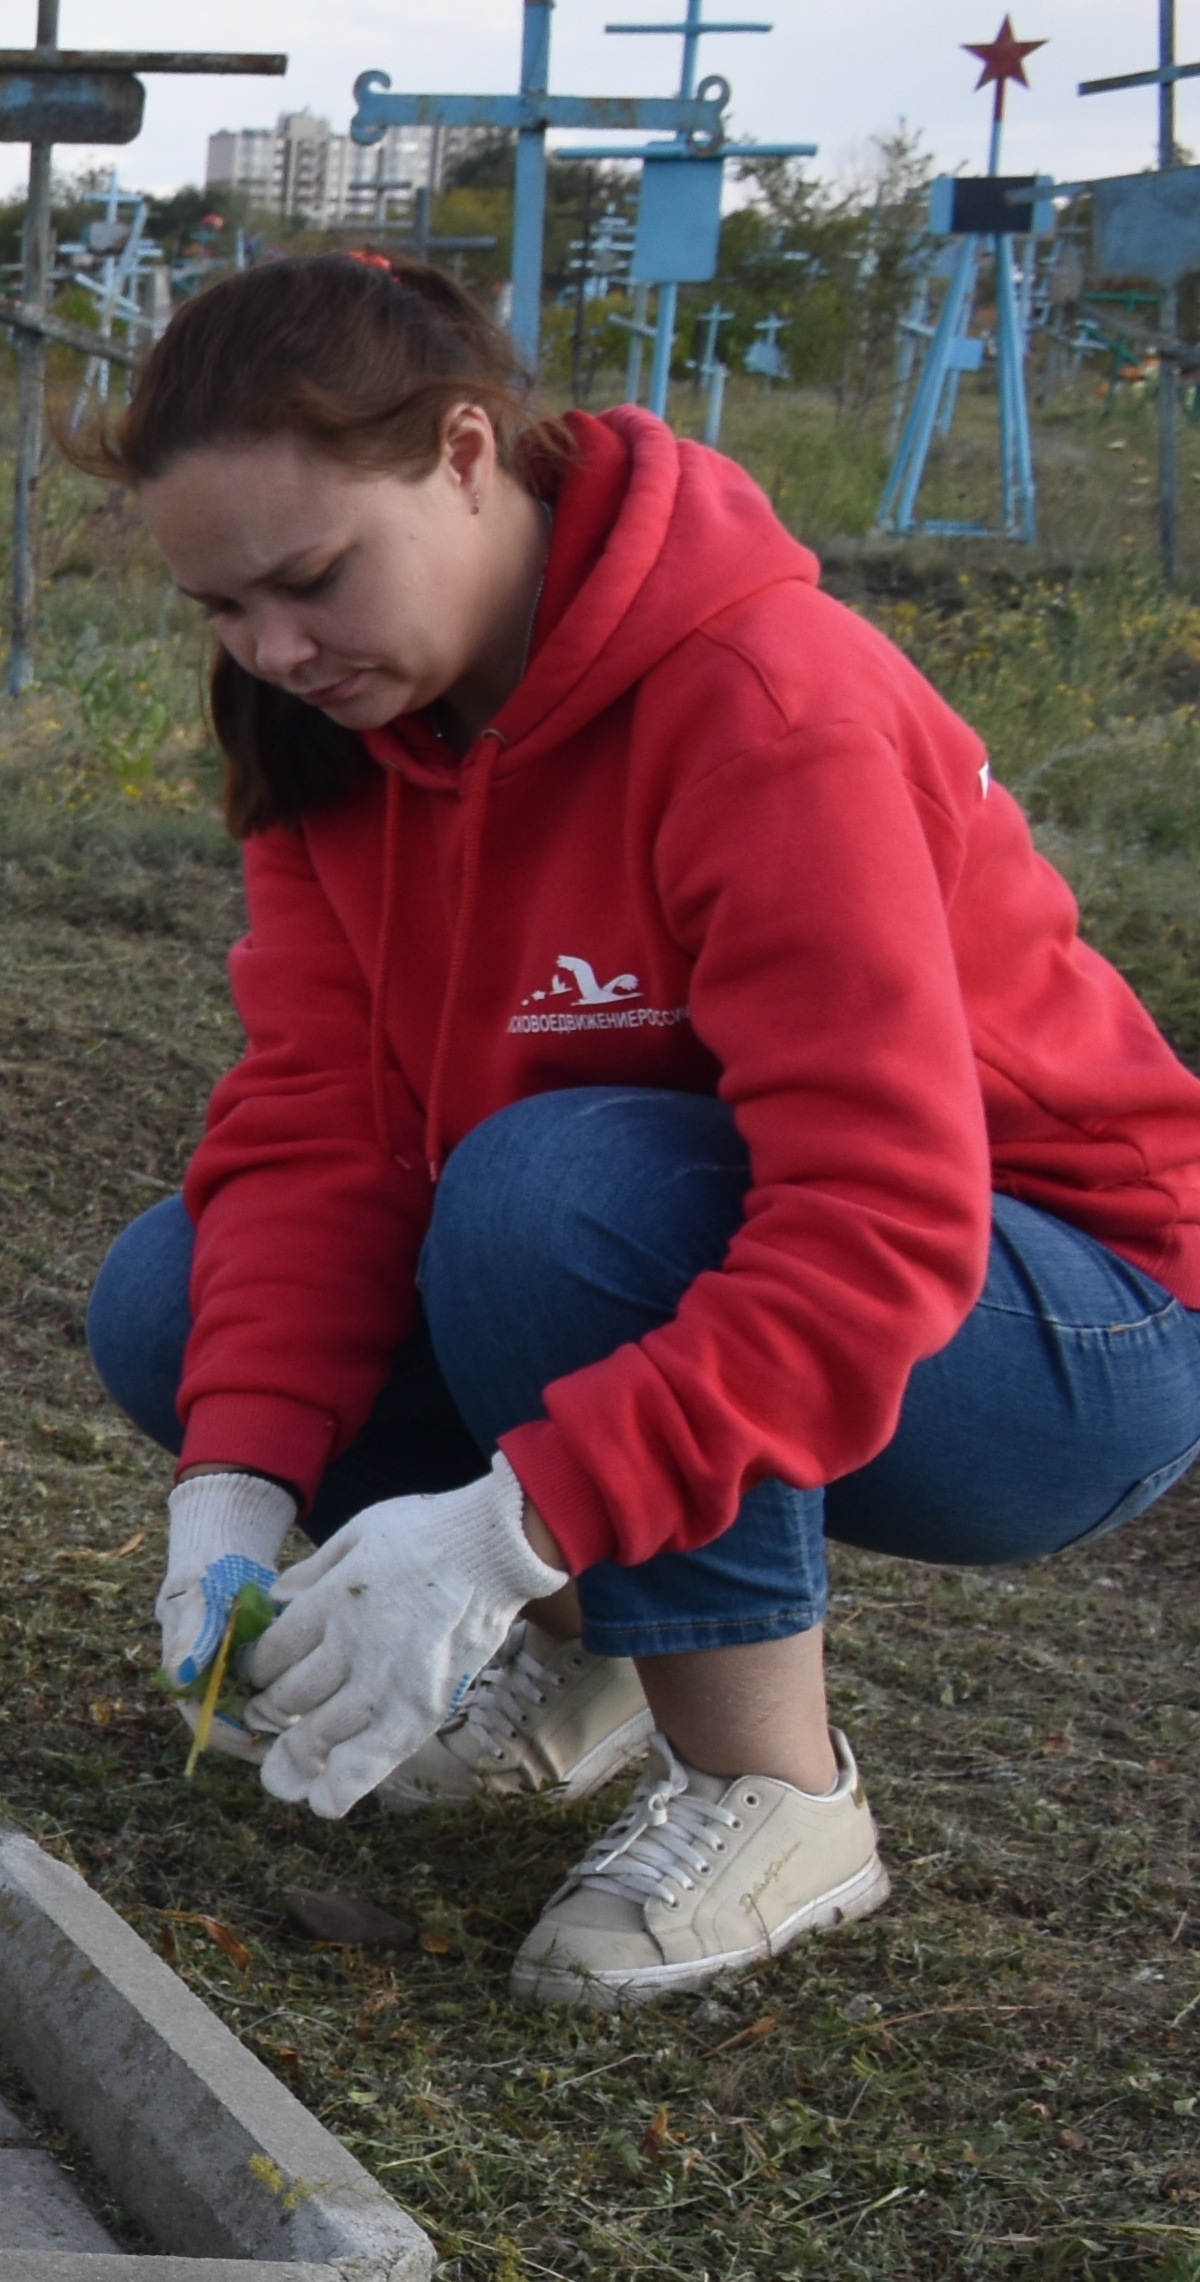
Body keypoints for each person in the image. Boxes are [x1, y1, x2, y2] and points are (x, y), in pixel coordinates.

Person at [82, 254, 1200, 2005]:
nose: (274, 653)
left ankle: (775, 1786)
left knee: (559, 1193)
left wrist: (505, 1516)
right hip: (694, 1246)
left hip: (1064, 1327)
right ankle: (605, 1655)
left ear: (467, 452)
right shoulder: (338, 734)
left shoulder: (766, 699)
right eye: (220, 611)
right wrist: (232, 1492)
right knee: (183, 1296)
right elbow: (320, 1131)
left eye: (308, 582)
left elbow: (883, 1229)